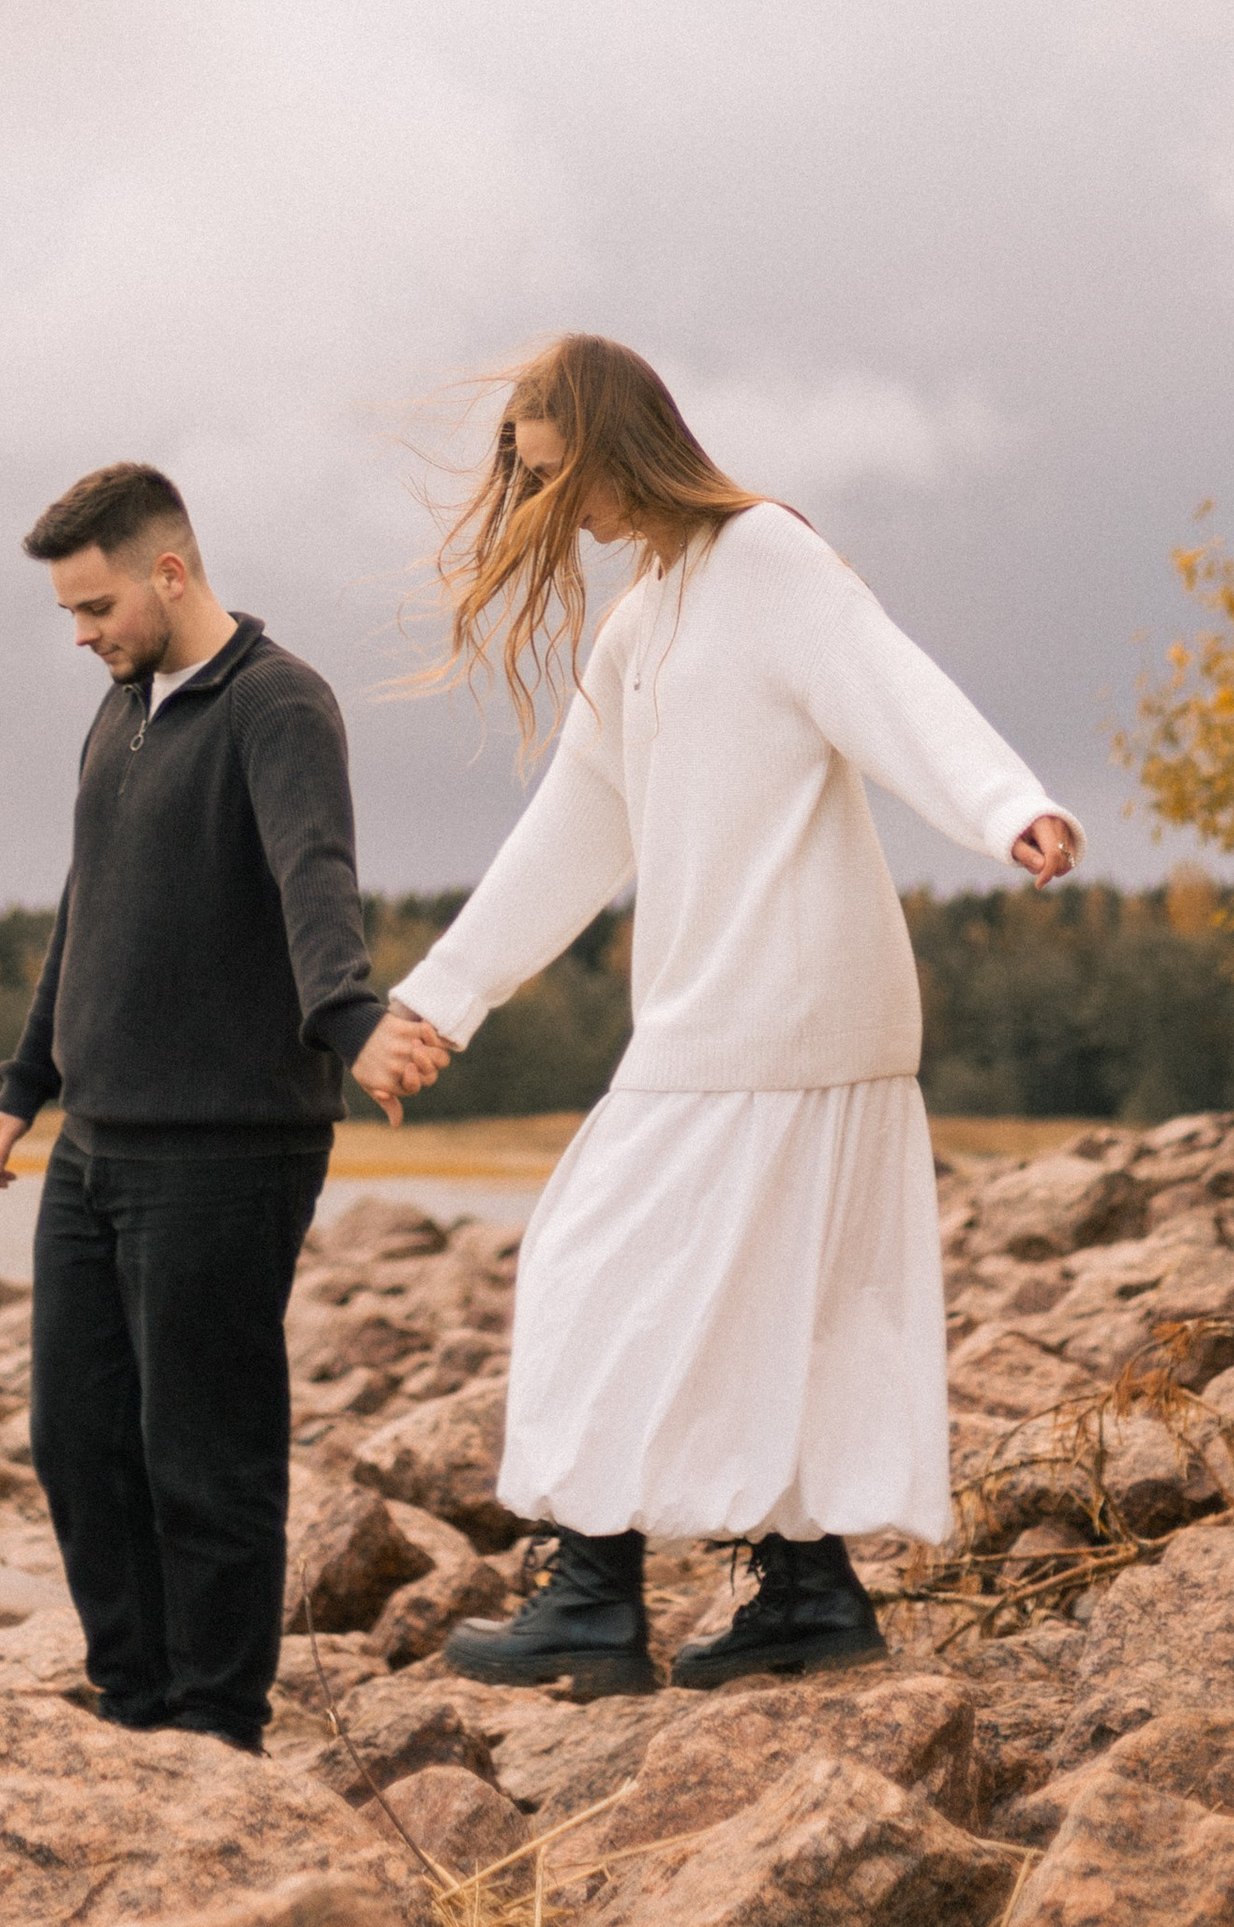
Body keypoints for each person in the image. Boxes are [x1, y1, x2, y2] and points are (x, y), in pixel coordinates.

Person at [385, 337, 1080, 1698]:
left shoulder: (766, 557)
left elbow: (891, 683)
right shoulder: (640, 622)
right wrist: (441, 998)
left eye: (560, 471)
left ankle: (593, 1598)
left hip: (789, 1002)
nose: (554, 504)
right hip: (731, 1011)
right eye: (533, 479)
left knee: (584, 1260)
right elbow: (572, 833)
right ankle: (807, 1591)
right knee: (786, 1302)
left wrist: (1008, 805)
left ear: (620, 441)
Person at [0, 461, 443, 1754]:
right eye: (69, 612)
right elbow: (88, 902)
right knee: (76, 1439)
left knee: (204, 1454)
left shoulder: (278, 704)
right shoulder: (121, 709)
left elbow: (312, 873)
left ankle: (219, 1725)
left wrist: (350, 1015)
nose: (82, 634)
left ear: (168, 573)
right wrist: (25, 1082)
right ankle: (135, 1702)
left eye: (96, 605)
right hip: (96, 1143)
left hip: (229, 1147)